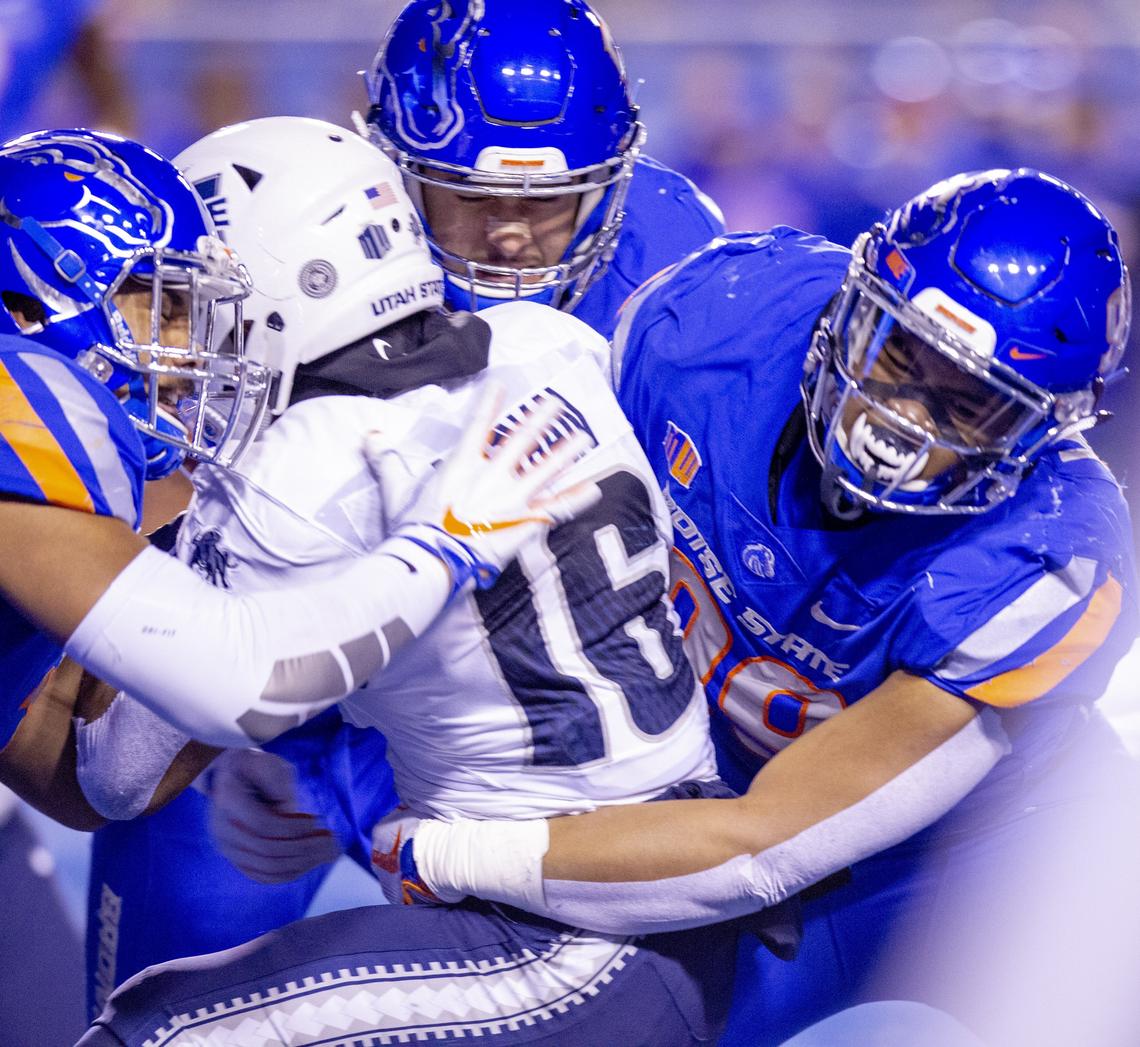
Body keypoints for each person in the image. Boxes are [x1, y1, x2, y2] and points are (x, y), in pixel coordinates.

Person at [365, 169, 1140, 1045]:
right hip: (723, 793)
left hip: (983, 862)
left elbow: (762, 844)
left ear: (1040, 434)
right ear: (852, 303)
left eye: (966, 403)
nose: (900, 419)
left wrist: (464, 850)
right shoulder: (722, 317)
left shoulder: (1049, 554)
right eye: (897, 352)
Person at [84, 0, 727, 1013]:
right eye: (462, 197)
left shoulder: (681, 273)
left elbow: (703, 550)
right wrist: (277, 730)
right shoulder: (305, 232)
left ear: (613, 185)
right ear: (384, 168)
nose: (511, 235)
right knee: (156, 926)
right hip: (303, 686)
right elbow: (208, 500)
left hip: (528, 741)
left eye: (555, 202)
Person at [0, 125, 593, 835]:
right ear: (25, 307)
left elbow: (54, 759)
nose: (191, 350)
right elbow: (214, 694)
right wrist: (438, 549)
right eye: (164, 303)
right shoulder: (25, 415)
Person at [361, 0, 724, 338]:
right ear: (394, 173)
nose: (510, 237)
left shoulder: (668, 270)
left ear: (603, 193)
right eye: (470, 195)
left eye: (546, 197)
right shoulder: (334, 254)